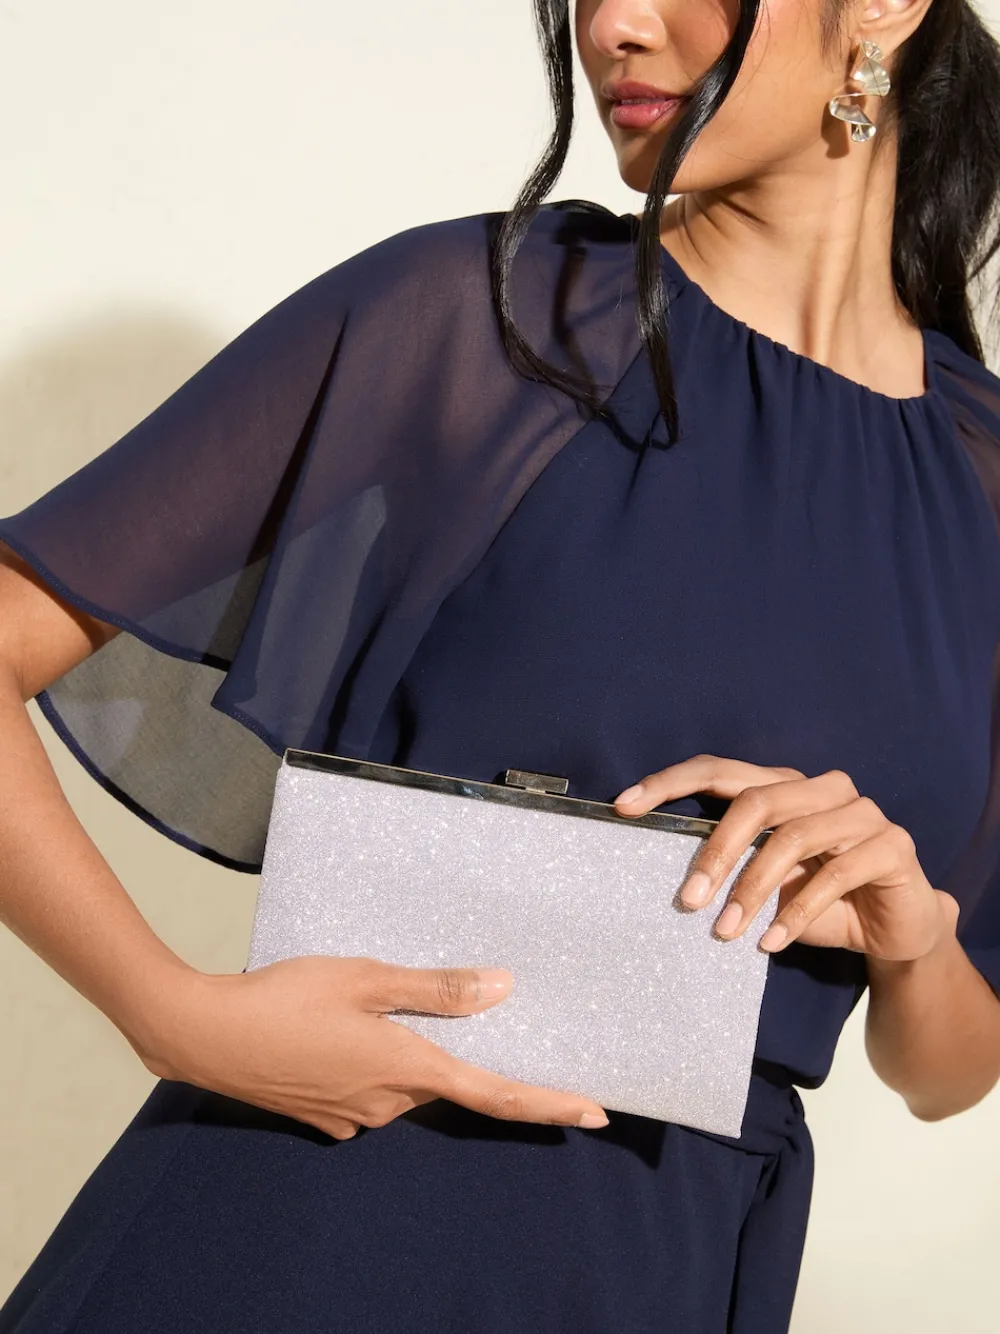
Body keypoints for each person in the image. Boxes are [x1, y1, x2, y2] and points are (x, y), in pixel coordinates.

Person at [3, 0, 1000, 1329]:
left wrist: (918, 937)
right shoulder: (493, 322)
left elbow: (952, 1070)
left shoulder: (983, 486)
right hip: (305, 1226)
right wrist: (169, 1013)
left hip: (669, 1269)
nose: (613, 24)